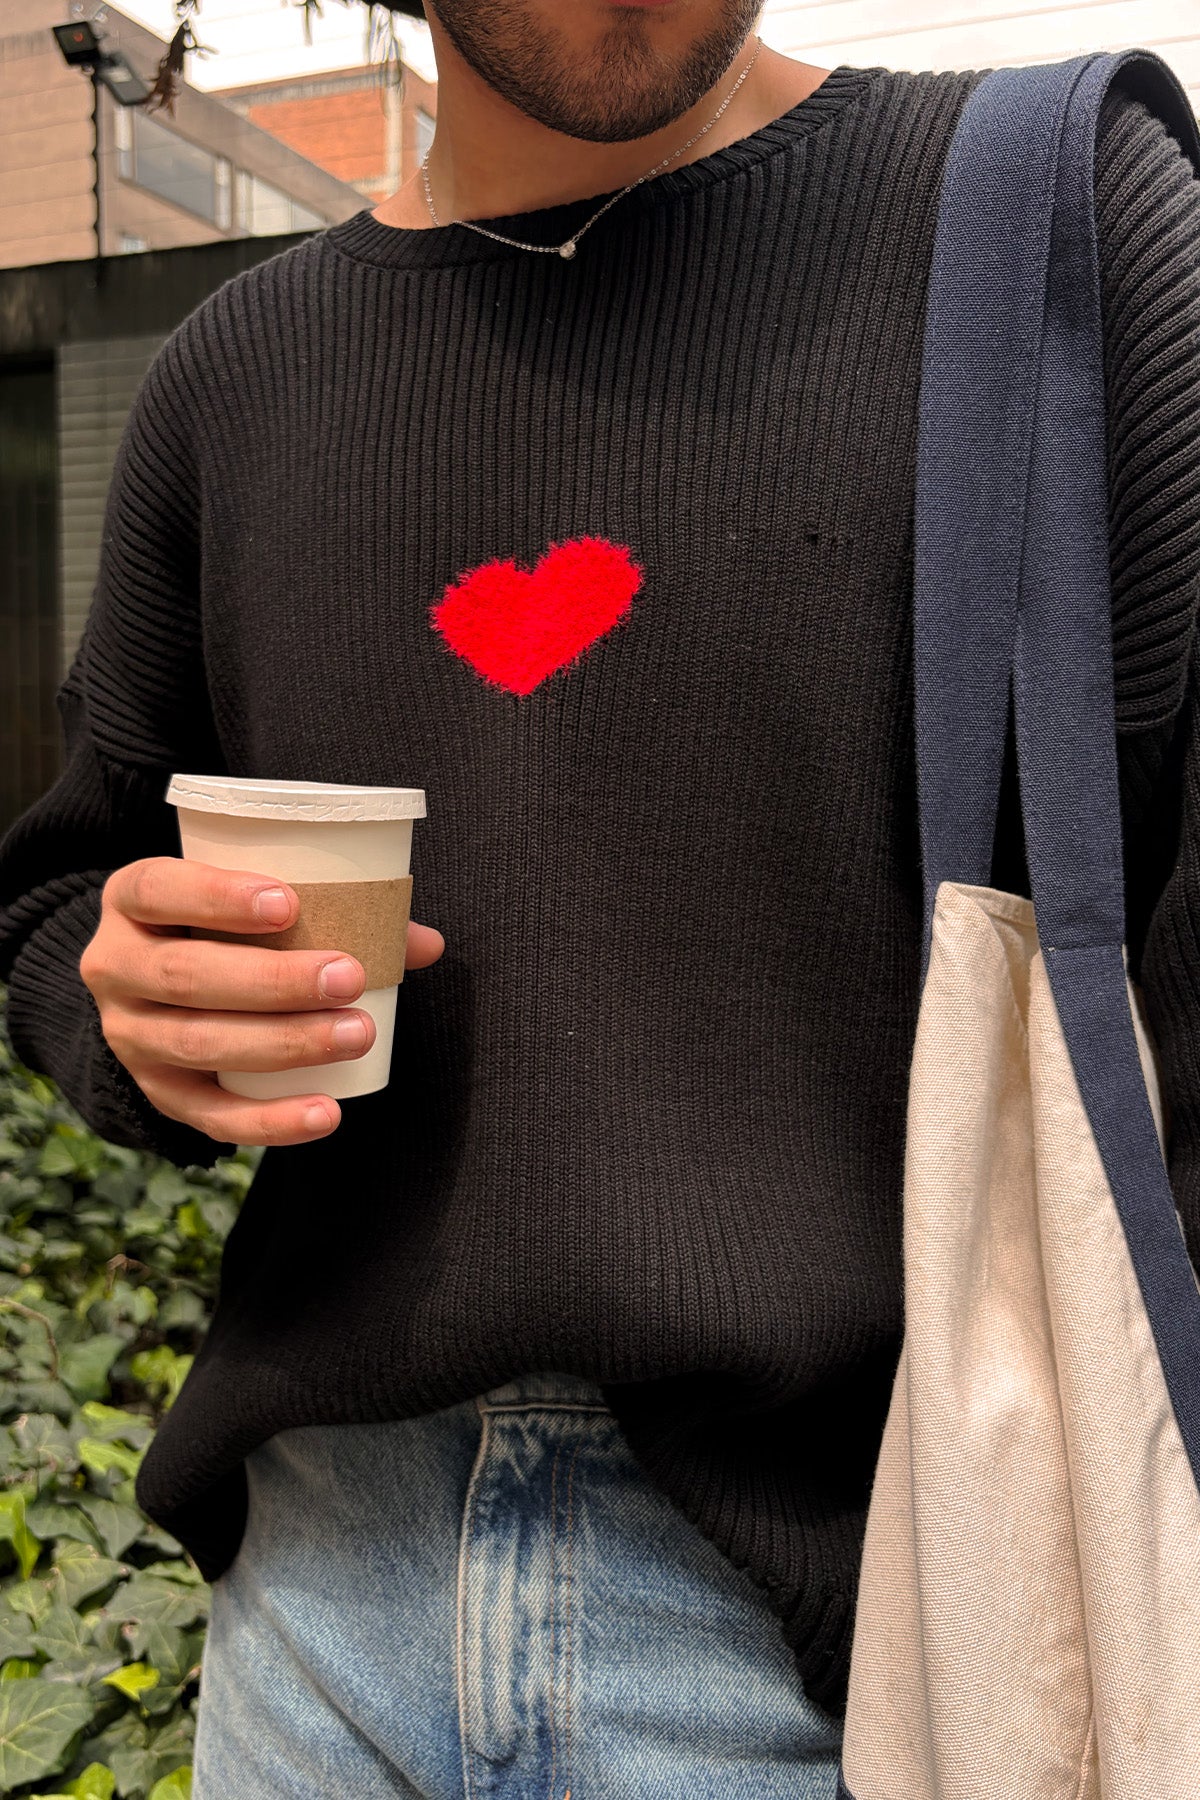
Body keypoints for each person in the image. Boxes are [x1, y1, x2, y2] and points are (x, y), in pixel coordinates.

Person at [2, 3, 1199, 1794]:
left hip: (879, 1629)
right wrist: (126, 1008)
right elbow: (58, 894)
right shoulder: (232, 378)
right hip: (317, 1620)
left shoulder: (1051, 224)